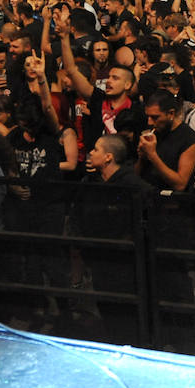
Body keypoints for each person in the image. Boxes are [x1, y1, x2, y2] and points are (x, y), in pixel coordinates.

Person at [72, 134, 153, 345]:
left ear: (108, 157)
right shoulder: (92, 181)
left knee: (124, 312)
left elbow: (148, 208)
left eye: (96, 149)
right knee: (107, 309)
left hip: (123, 262)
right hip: (99, 259)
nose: (90, 152)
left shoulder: (131, 184)